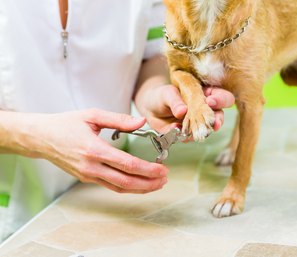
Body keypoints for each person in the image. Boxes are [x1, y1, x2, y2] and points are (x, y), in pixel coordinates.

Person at [0, 0, 235, 242]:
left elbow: (152, 54)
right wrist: (36, 137)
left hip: (109, 204)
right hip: (12, 219)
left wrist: (152, 94)